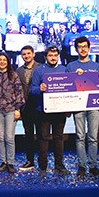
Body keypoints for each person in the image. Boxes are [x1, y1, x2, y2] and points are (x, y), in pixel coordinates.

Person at [66, 37, 99, 178]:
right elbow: (66, 87)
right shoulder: (71, 66)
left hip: (94, 105)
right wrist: (74, 77)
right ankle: (81, 166)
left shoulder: (97, 66)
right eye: (80, 47)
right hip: (78, 105)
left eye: (85, 46)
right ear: (76, 49)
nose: (82, 49)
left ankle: (93, 166)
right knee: (80, 136)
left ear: (89, 48)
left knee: (93, 137)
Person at [30, 46, 69, 176]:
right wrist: (39, 88)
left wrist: (69, 108)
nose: (53, 58)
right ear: (45, 57)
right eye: (50, 55)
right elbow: (32, 90)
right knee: (43, 139)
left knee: (59, 138)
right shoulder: (39, 70)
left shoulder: (64, 69)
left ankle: (59, 166)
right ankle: (42, 167)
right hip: (43, 111)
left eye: (55, 55)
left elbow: (70, 90)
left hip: (60, 110)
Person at [0, 52, 25, 174]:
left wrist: (18, 109)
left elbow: (19, 92)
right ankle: (4, 162)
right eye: (0, 60)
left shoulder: (14, 76)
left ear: (8, 61)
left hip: (11, 110)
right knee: (1, 137)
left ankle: (11, 162)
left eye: (4, 60)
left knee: (9, 137)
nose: (2, 62)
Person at [16, 45, 40, 171]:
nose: (26, 56)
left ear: (33, 54)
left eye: (28, 53)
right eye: (24, 54)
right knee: (28, 135)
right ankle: (30, 161)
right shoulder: (18, 71)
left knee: (41, 135)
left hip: (39, 106)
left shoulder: (41, 68)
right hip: (26, 107)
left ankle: (42, 161)